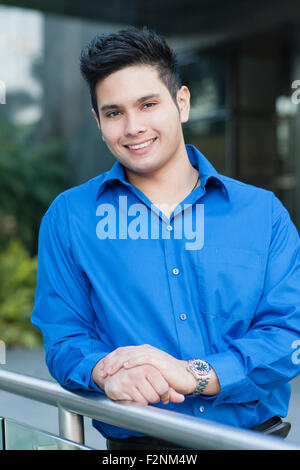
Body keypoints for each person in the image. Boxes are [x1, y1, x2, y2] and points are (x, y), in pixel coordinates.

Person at [31, 27, 300, 451]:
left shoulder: (263, 214)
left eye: (148, 104)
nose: (133, 127)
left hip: (253, 444)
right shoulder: (70, 218)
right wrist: (104, 369)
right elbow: (65, 339)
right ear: (98, 122)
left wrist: (197, 374)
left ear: (182, 103)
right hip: (138, 452)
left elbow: (288, 336)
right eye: (114, 112)